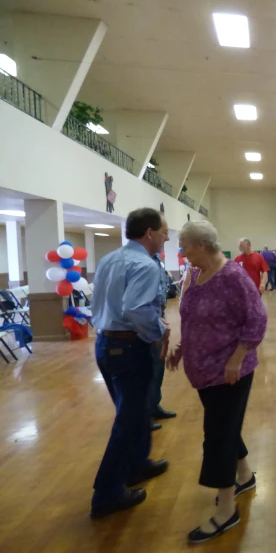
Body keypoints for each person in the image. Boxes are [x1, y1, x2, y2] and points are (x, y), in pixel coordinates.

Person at [167, 221, 267, 543]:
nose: (181, 251)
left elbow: (257, 320)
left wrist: (236, 359)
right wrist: (182, 350)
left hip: (229, 372)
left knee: (218, 435)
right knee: (227, 426)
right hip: (202, 371)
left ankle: (226, 511)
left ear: (201, 245)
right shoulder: (195, 274)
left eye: (184, 245)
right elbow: (193, 318)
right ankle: (245, 476)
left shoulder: (233, 276)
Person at [89, 208, 171, 519]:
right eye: (163, 231)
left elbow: (99, 304)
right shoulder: (145, 265)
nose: (166, 236)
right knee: (128, 419)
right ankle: (107, 492)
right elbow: (137, 309)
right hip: (128, 347)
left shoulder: (110, 259)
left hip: (106, 343)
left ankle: (137, 463)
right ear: (149, 233)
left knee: (135, 414)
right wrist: (159, 333)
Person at [149, 251, 176, 425]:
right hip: (147, 319)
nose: (167, 236)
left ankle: (153, 405)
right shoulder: (140, 262)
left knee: (158, 365)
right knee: (147, 369)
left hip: (158, 314)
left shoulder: (156, 259)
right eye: (164, 232)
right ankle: (143, 414)